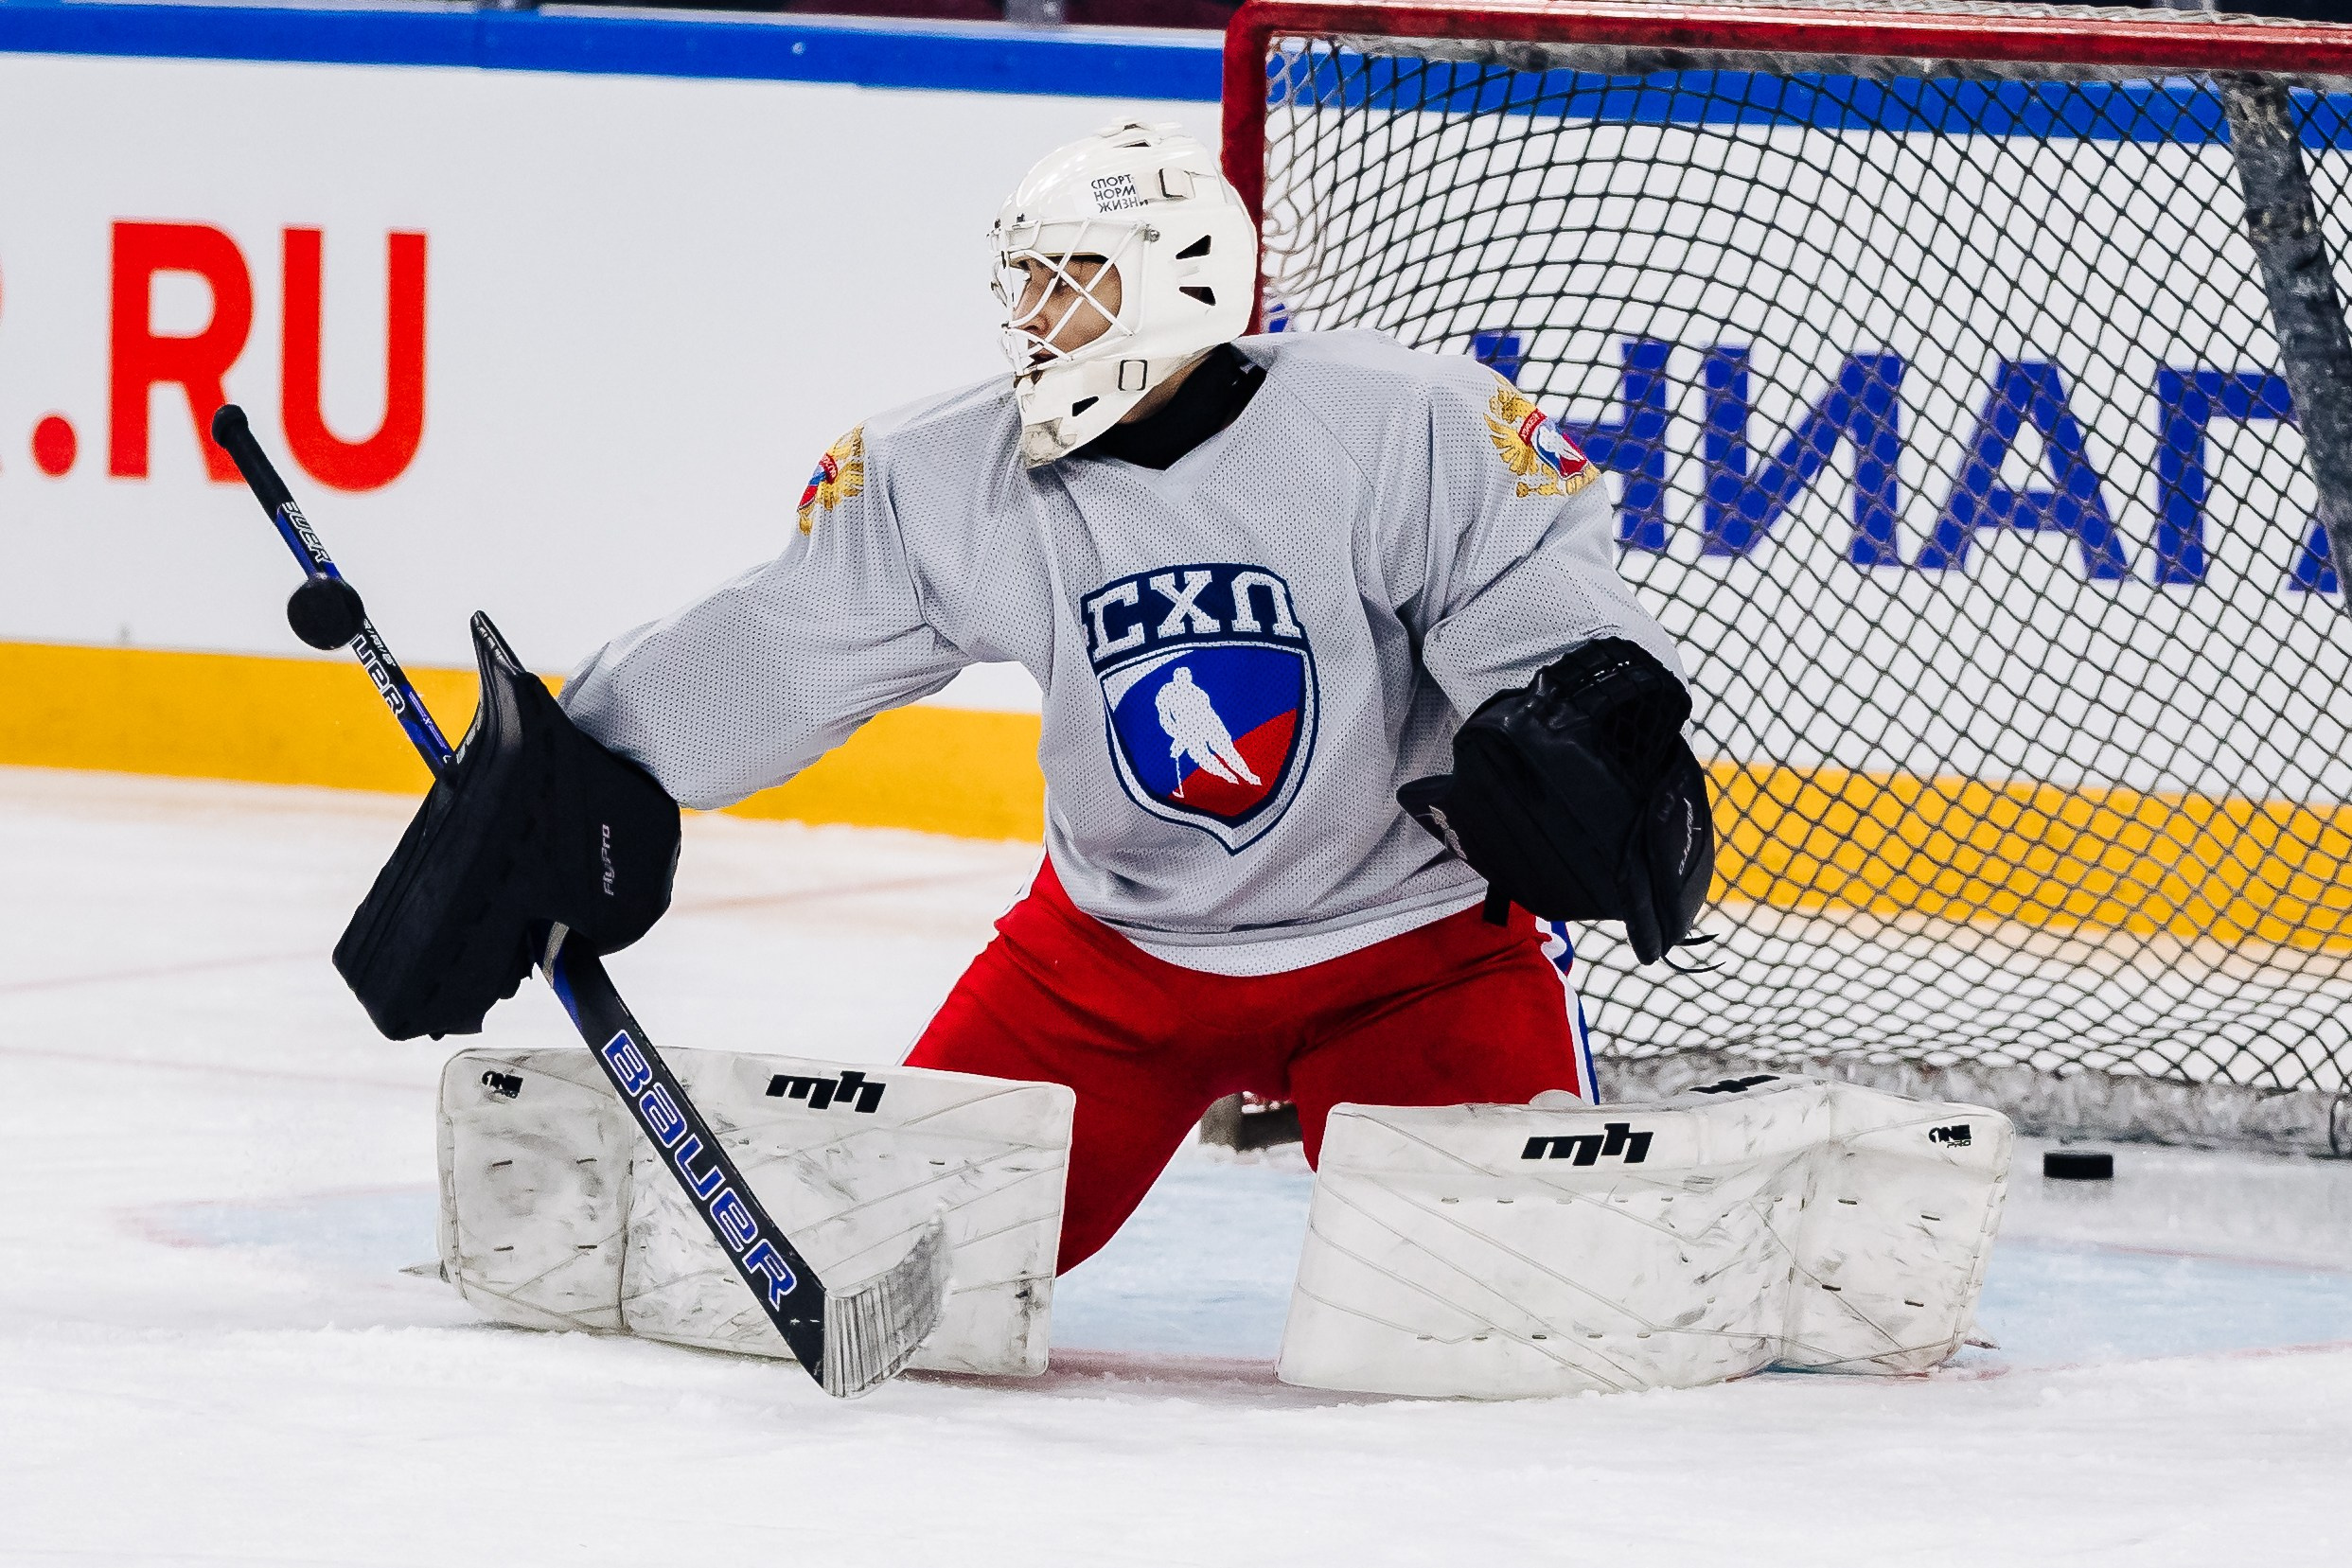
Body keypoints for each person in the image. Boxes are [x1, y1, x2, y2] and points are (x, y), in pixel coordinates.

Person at [556, 122, 1708, 1272]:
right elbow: (786, 640)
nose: (1032, 318)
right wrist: (581, 751)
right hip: (1105, 964)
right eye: (1024, 284)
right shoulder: (949, 474)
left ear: (1185, 279)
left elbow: (1529, 594)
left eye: (1072, 281)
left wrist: (1589, 701)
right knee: (894, 1262)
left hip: (1408, 953)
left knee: (1512, 1295)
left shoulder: (1406, 425)